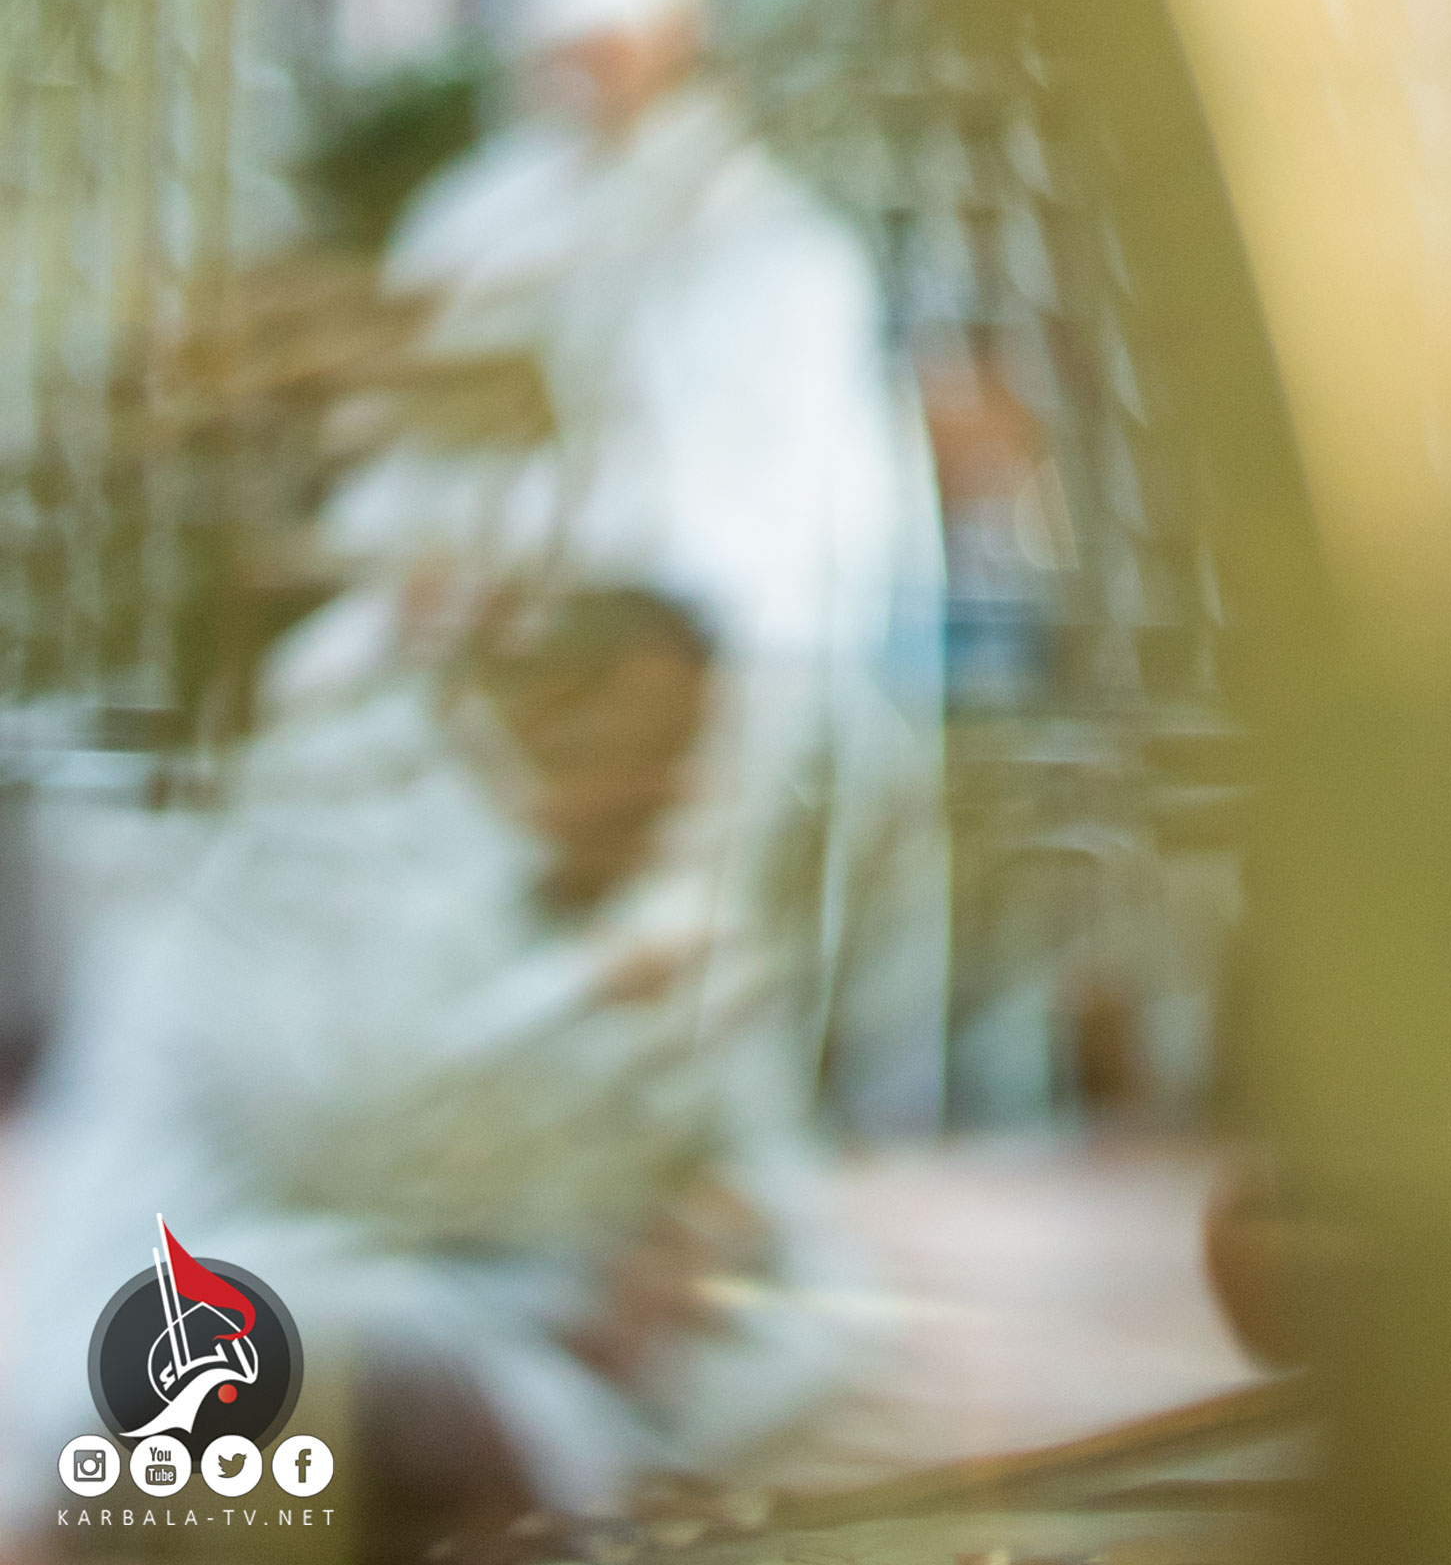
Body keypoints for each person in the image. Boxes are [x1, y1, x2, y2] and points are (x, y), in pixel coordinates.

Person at [11, 585, 859, 1543]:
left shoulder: (679, 953)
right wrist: (584, 1004)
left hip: (520, 1408)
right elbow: (361, 1148)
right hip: (223, 1378)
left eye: (677, 750)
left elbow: (803, 1270)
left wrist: (703, 1285)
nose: (648, 786)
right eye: (607, 739)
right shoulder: (282, 903)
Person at [280, 0, 942, 1055]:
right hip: (486, 596)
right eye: (560, 45)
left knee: (673, 790)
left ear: (678, 37)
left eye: (607, 43)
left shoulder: (775, 252)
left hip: (699, 622)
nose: (579, 72)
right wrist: (413, 556)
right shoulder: (476, 217)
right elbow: (411, 437)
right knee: (319, 701)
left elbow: (750, 508)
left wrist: (551, 568)